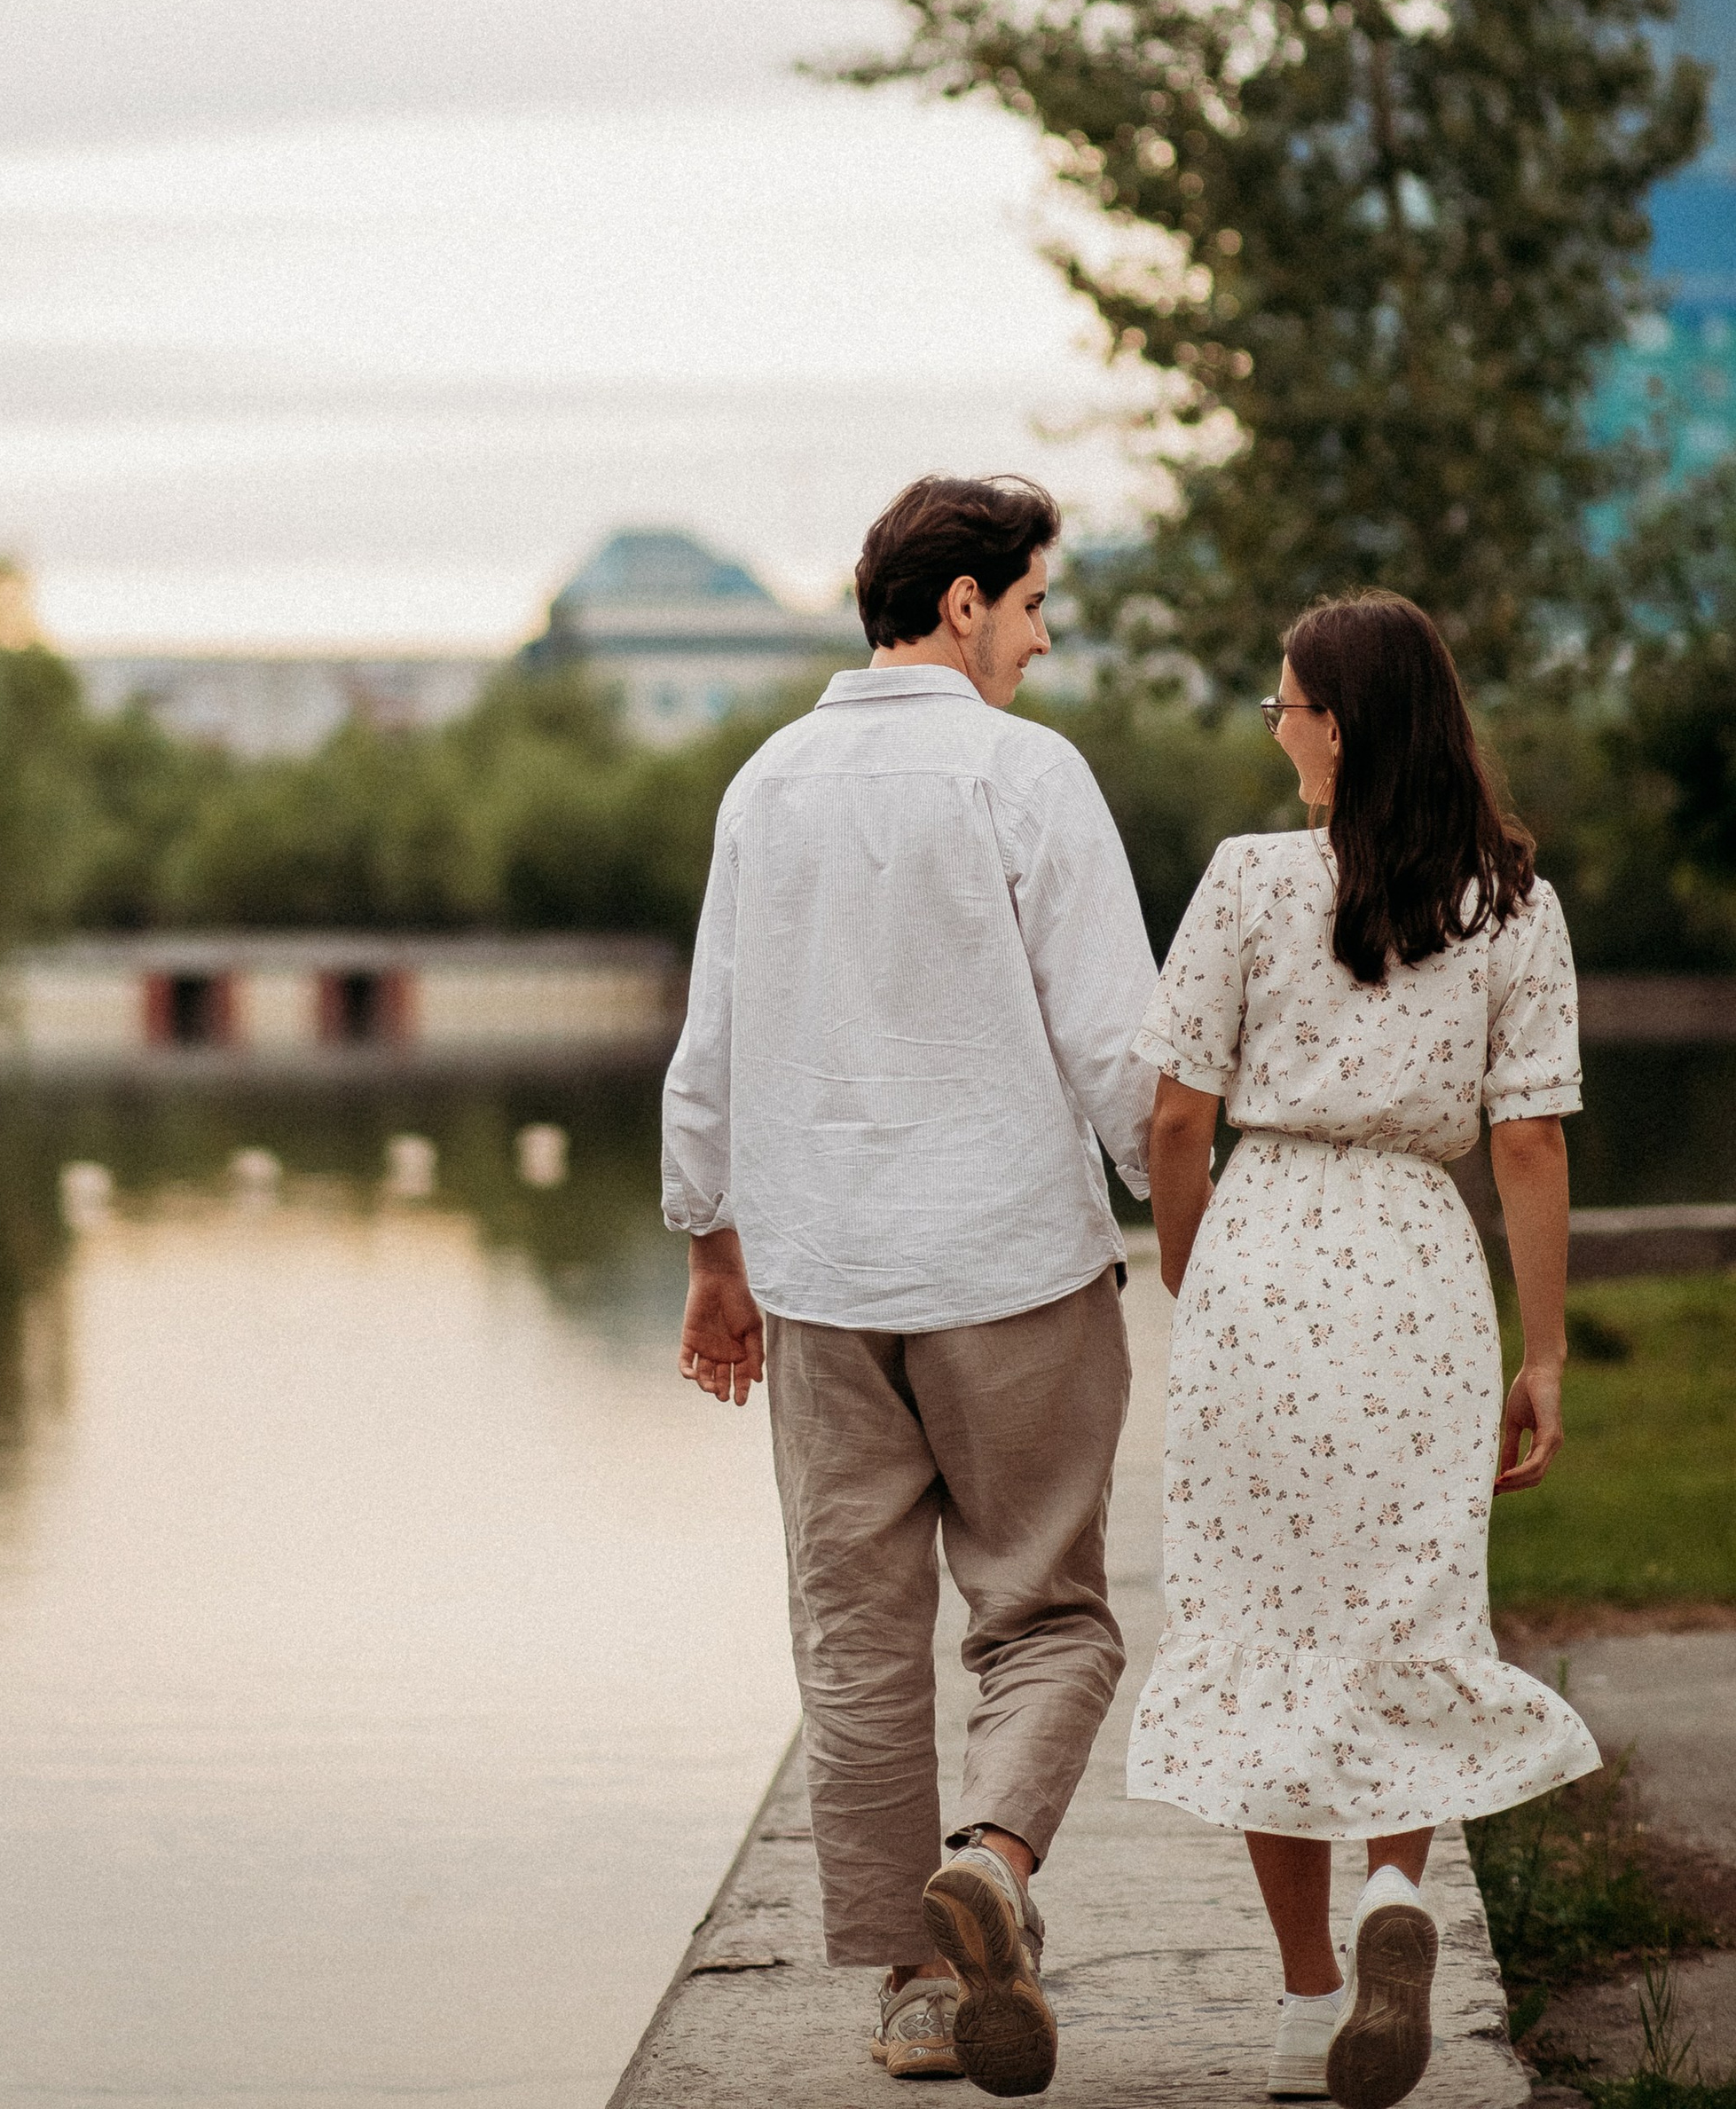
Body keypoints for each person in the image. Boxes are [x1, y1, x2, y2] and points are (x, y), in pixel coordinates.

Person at [663, 474, 1159, 2089]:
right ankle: (995, 1872)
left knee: (858, 1642)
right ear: (961, 605)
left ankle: (913, 1992)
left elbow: (712, 1046)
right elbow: (1117, 1046)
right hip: (1010, 1264)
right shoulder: (1026, 777)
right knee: (1050, 1616)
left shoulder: (765, 786)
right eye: (1029, 610)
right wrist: (1190, 1220)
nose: (1034, 641)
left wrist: (710, 1251)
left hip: (819, 1278)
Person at [1129, 592, 1599, 2109]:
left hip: (1267, 1258)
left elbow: (1178, 1120)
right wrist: (1543, 1358)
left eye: (1285, 706)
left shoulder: (1249, 882)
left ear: (1339, 722)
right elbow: (1526, 1141)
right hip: (1416, 1274)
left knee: (1262, 1631)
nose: (1277, 730)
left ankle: (1303, 1999)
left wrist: (1200, 1292)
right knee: (1408, 1611)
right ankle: (1403, 1892)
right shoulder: (1514, 902)